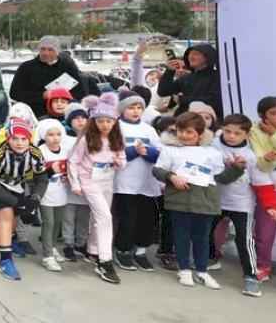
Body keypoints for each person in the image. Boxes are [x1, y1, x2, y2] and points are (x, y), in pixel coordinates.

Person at [153, 110, 242, 290]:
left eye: (189, 132)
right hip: (179, 200)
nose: (184, 136)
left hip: (205, 201)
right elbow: (157, 170)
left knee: (202, 237)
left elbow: (221, 177)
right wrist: (172, 177)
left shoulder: (211, 153)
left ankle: (202, 271)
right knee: (181, 235)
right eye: (180, 131)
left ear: (200, 134)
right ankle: (184, 269)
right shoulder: (170, 150)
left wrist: (237, 168)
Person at [68, 93, 126, 284]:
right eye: (101, 121)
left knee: (99, 218)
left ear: (115, 122)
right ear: (94, 121)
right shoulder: (86, 140)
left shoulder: (117, 139)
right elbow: (73, 161)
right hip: (89, 181)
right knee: (105, 217)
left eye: (109, 121)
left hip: (107, 180)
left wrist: (118, 162)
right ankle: (105, 260)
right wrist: (75, 183)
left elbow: (122, 161)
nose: (105, 125)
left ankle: (93, 250)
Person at [212, 113, 273, 297]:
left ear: (246, 134)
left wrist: (270, 204)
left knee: (244, 240)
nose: (231, 136)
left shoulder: (251, 155)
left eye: (237, 133)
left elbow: (261, 181)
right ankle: (205, 261)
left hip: (242, 204)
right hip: (215, 201)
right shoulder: (212, 147)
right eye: (227, 131)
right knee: (205, 231)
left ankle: (251, 277)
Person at [0, 118, 50, 281]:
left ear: (30, 139)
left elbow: (42, 178)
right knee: (6, 213)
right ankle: (5, 260)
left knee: (16, 217)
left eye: (23, 139)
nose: (19, 143)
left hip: (17, 184)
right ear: (7, 138)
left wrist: (35, 198)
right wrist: (19, 203)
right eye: (15, 138)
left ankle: (10, 241)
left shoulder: (35, 153)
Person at [112, 92, 162, 272]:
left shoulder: (149, 129)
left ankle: (141, 251)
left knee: (147, 219)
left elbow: (160, 154)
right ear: (122, 109)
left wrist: (147, 152)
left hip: (147, 183)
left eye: (139, 107)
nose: (135, 111)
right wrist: (133, 151)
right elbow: (112, 153)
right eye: (131, 107)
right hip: (124, 183)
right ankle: (123, 250)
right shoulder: (115, 127)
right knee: (127, 218)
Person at [246, 96, 276, 283]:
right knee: (264, 232)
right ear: (262, 115)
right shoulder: (254, 131)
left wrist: (274, 135)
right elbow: (261, 165)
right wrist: (268, 158)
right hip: (268, 189)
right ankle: (263, 266)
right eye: (274, 113)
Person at [8, 36, 84, 119]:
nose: (46, 53)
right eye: (43, 49)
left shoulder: (68, 67)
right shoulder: (26, 68)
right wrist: (42, 95)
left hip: (63, 115)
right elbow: (14, 93)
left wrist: (62, 97)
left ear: (57, 51)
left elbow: (80, 92)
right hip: (36, 115)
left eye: (50, 50)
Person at [35, 118, 74, 272]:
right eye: (50, 134)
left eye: (58, 134)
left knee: (57, 224)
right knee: (48, 223)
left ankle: (52, 247)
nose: (55, 138)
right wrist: (51, 171)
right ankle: (47, 256)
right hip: (45, 194)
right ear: (44, 136)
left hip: (62, 193)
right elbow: (35, 175)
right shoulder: (40, 151)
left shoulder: (65, 150)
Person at [156, 44, 223, 120]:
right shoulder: (187, 78)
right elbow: (163, 92)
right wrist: (169, 71)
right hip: (183, 119)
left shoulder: (218, 77)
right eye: (189, 54)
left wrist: (182, 100)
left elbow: (213, 100)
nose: (191, 57)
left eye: (196, 54)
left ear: (208, 57)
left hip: (205, 120)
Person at [61, 103, 91, 261]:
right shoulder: (65, 139)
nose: (80, 121)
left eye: (83, 118)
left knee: (84, 216)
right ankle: (68, 244)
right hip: (69, 184)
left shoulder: (92, 138)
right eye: (76, 118)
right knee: (69, 216)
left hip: (87, 183)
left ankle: (81, 242)